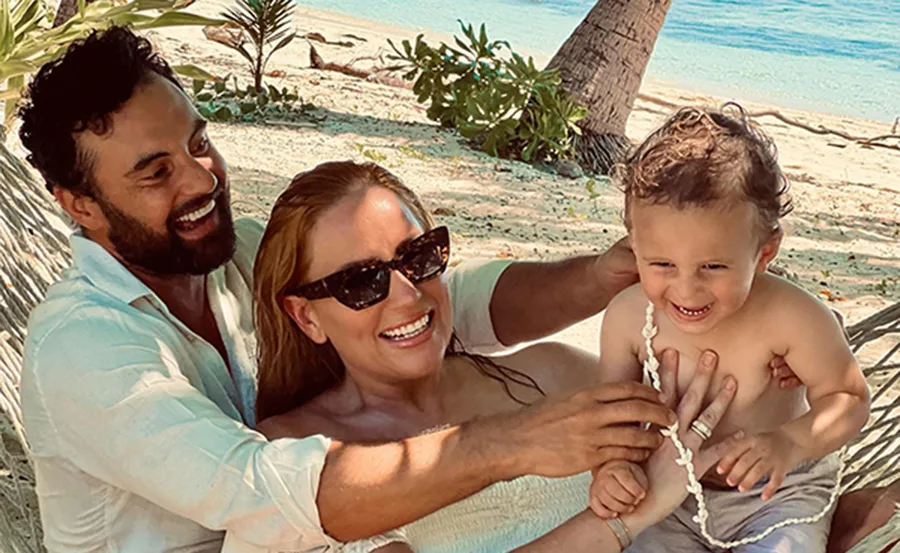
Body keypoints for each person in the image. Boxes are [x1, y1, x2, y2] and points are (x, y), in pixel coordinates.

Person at [16, 26, 683, 553]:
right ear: (80, 205)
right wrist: (512, 442)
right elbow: (259, 489)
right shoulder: (84, 348)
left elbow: (444, 302)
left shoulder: (240, 251)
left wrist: (601, 275)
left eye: (198, 143)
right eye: (156, 172)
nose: (200, 179)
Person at [245, 160, 743, 553]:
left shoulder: (552, 374)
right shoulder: (294, 458)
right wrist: (624, 520)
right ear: (306, 316)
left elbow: (722, 448)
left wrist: (795, 352)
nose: (407, 297)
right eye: (360, 282)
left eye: (418, 257)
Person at [589, 106, 871, 552]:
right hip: (671, 493)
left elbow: (849, 398)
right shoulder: (627, 317)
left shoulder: (792, 317)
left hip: (778, 495)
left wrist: (788, 442)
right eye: (661, 263)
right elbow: (611, 418)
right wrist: (611, 470)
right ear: (633, 244)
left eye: (713, 266)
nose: (687, 288)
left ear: (764, 252)